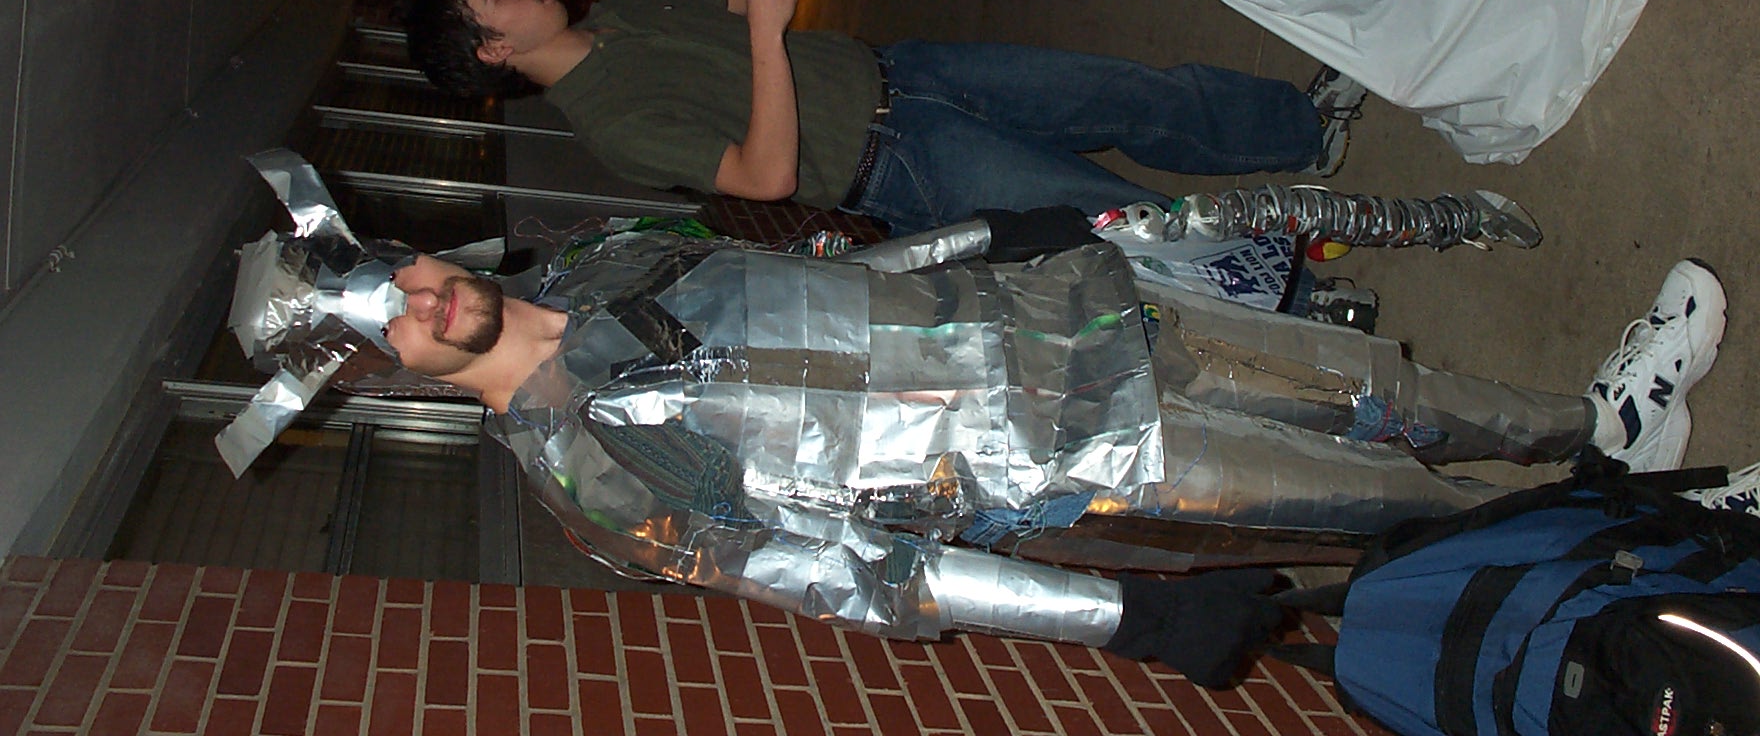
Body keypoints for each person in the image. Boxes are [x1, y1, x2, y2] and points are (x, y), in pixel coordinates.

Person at [381, 219, 1751, 674]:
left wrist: (989, 234)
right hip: (1086, 461)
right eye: (386, 323)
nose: (422, 301)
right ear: (386, 371)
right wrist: (1122, 618)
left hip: (1074, 313)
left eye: (399, 274)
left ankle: (1599, 427)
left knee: (1392, 390)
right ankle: (1648, 535)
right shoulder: (591, 483)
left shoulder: (609, 257)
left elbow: (828, 276)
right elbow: (867, 578)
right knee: (1394, 499)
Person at [404, 0, 1364, 236]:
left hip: (904, 70)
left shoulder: (619, 11)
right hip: (899, 164)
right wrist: (767, 35)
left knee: (1126, 93)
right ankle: (1290, 288)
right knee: (1116, 220)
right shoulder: (610, 124)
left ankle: (1302, 131)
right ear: (495, 49)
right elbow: (766, 176)